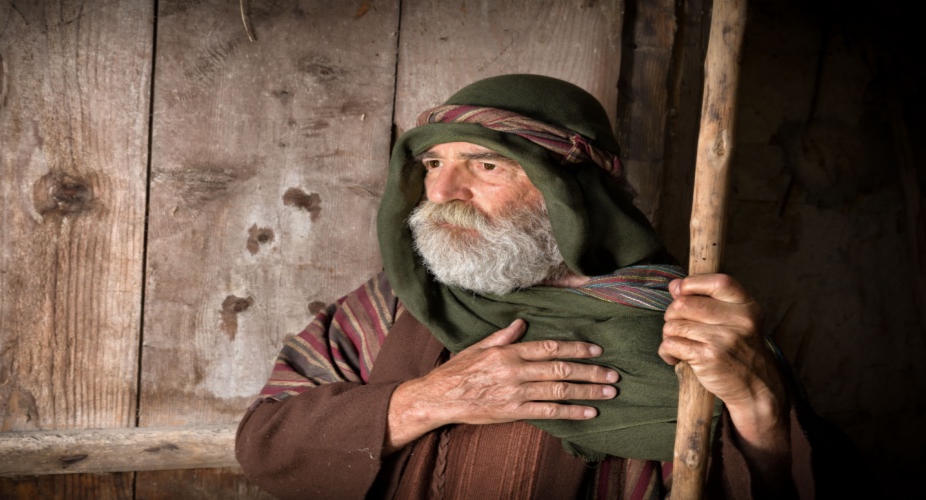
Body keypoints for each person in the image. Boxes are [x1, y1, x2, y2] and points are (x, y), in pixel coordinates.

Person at [235, 75, 846, 499]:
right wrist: (429, 399)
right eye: (432, 165)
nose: (444, 192)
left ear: (569, 189)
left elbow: (788, 485)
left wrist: (758, 406)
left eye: (486, 164)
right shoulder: (395, 305)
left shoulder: (690, 321)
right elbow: (265, 442)